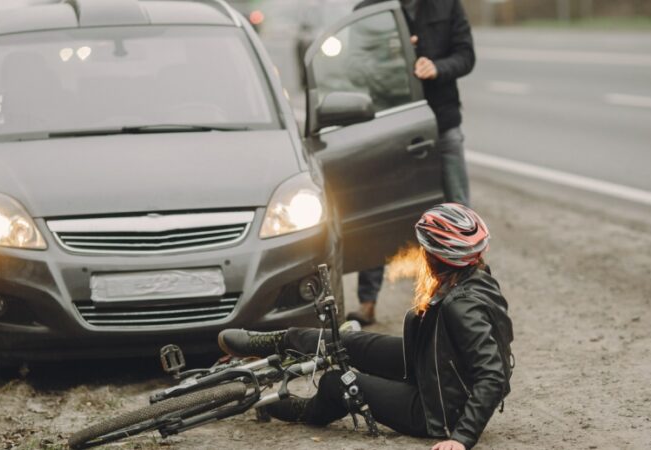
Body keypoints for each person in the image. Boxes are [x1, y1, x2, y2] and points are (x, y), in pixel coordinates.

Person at [219, 203, 513, 450]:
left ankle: (302, 409)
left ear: (439, 256)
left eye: (424, 248)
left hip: (435, 409)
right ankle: (270, 342)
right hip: (431, 368)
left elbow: (493, 374)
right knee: (345, 341)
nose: (421, 254)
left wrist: (461, 438)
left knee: (337, 382)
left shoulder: (462, 305)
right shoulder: (471, 276)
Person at [348, 0, 476, 325]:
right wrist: (395, 56)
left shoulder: (446, 6)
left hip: (440, 123)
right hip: (385, 127)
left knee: (458, 211)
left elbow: (466, 56)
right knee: (376, 211)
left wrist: (437, 67)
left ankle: (467, 296)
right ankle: (367, 302)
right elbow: (355, 68)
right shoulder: (368, 10)